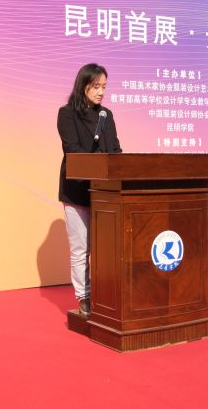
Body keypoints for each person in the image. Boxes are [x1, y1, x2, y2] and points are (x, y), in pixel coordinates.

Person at [57, 63, 122, 316]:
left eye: (104, 86)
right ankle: (84, 296)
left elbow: (115, 151)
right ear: (83, 85)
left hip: (106, 193)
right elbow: (73, 151)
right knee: (81, 248)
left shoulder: (106, 115)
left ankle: (106, 293)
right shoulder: (67, 114)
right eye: (96, 86)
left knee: (106, 248)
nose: (101, 92)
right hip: (77, 190)